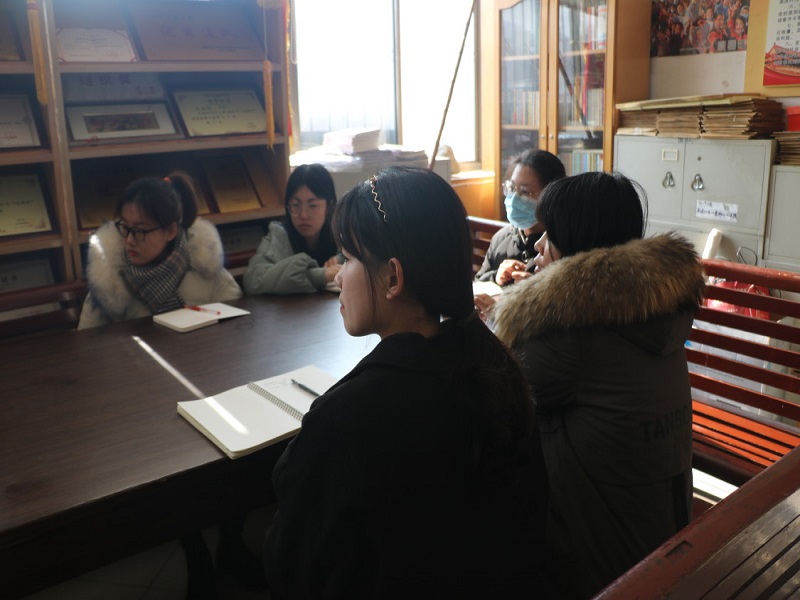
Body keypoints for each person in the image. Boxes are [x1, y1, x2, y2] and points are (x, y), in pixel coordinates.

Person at [263, 167, 552, 598]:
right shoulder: (492, 363)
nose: (338, 276)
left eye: (348, 258)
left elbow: (293, 566)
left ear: (393, 278)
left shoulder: (347, 417)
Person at [492, 172, 705, 599]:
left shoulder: (573, 338)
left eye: (550, 235)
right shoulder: (652, 308)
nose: (538, 246)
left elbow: (485, 389)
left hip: (600, 572)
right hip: (656, 538)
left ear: (579, 250)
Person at [78, 171, 241, 330]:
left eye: (140, 230)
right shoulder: (108, 282)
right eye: (125, 227)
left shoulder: (205, 268)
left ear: (170, 231)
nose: (129, 240)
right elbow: (86, 342)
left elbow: (237, 329)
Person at [473, 149, 565, 318]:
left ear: (551, 196)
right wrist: (496, 276)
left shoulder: (558, 246)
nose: (514, 198)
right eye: (511, 188)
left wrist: (535, 292)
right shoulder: (502, 238)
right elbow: (479, 282)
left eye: (525, 192)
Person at [243, 163, 341, 295]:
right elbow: (253, 281)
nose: (303, 215)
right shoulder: (279, 234)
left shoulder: (342, 231)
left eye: (312, 205)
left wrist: (341, 261)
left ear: (329, 206)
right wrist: (320, 275)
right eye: (295, 205)